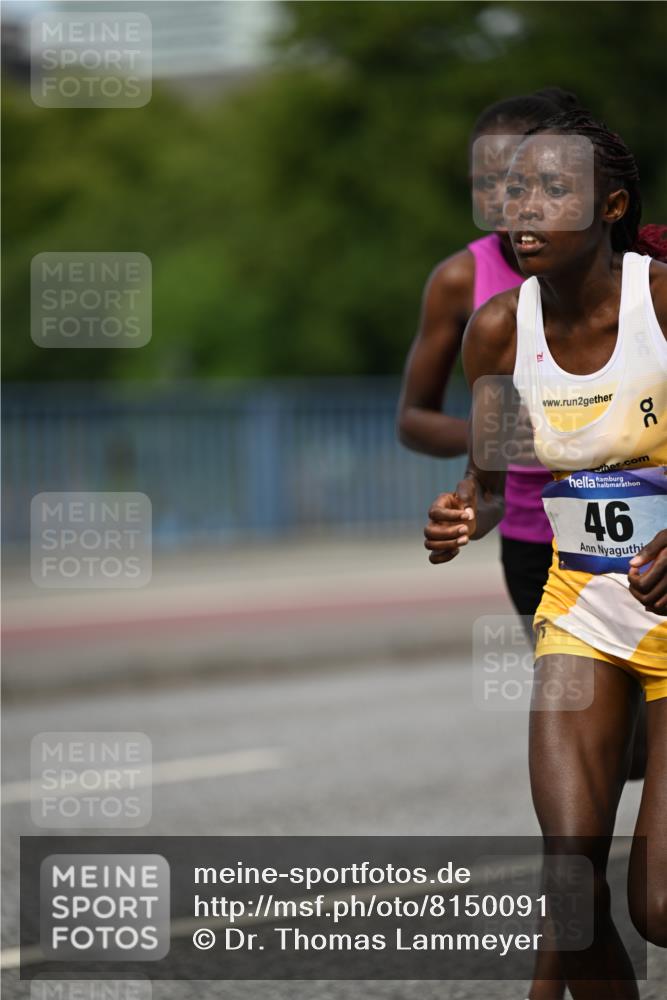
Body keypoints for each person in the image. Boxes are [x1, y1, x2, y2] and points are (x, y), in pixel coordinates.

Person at [423, 110, 667, 998]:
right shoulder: (494, 329)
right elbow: (491, 482)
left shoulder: (662, 304)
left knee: (660, 908)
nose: (523, 208)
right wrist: (462, 515)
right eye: (513, 188)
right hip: (582, 610)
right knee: (570, 888)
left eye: (553, 189)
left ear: (608, 205)